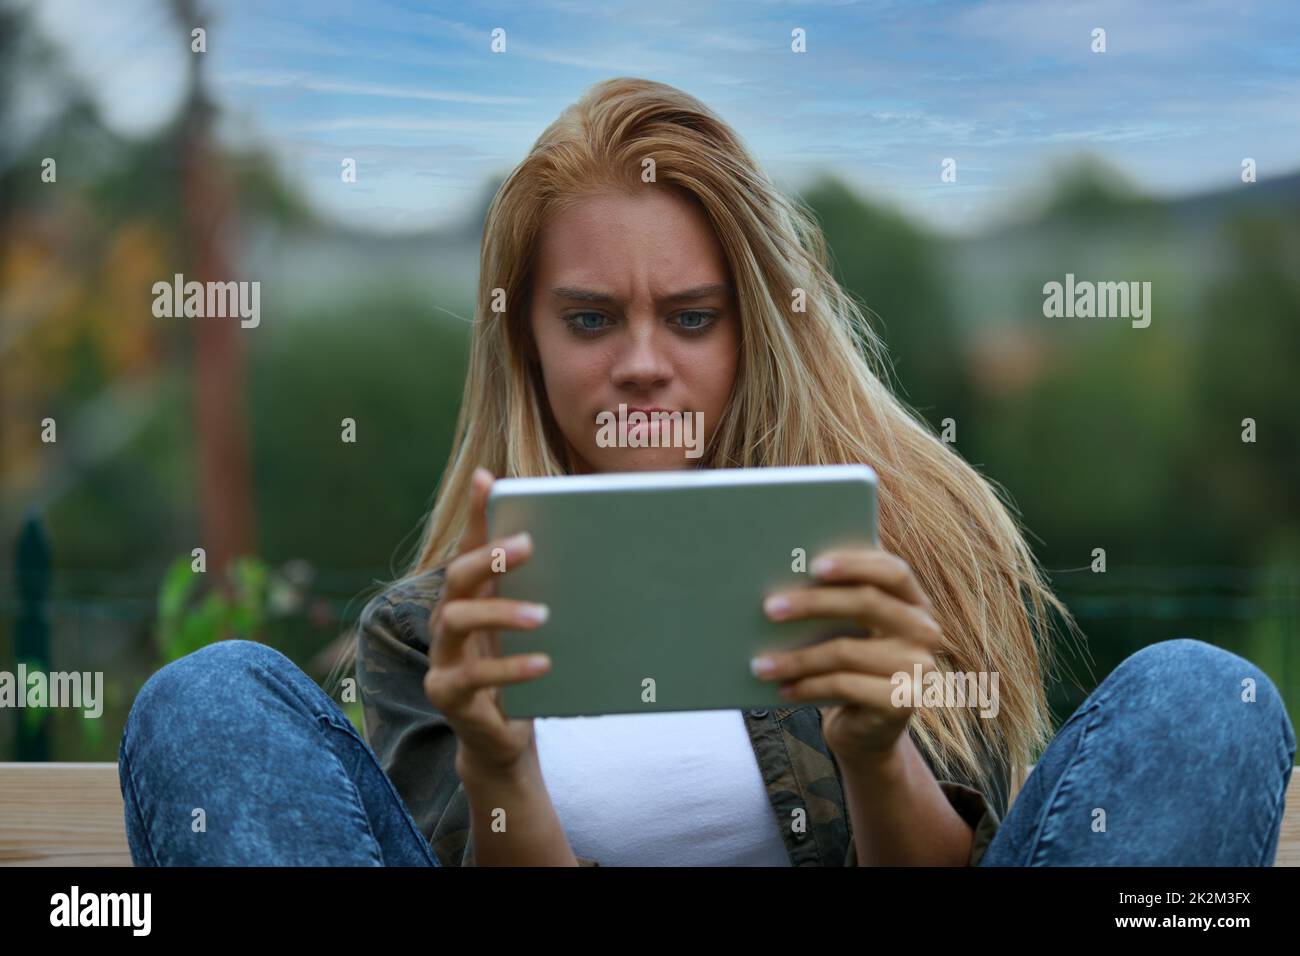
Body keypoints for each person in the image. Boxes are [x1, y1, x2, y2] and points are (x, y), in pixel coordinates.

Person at [118, 77, 1295, 867]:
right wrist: (497, 759)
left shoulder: (895, 559)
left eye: (689, 316)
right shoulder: (437, 637)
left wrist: (876, 747)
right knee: (209, 697)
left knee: (1200, 695)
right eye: (588, 320)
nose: (640, 365)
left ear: (754, 329)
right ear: (523, 336)